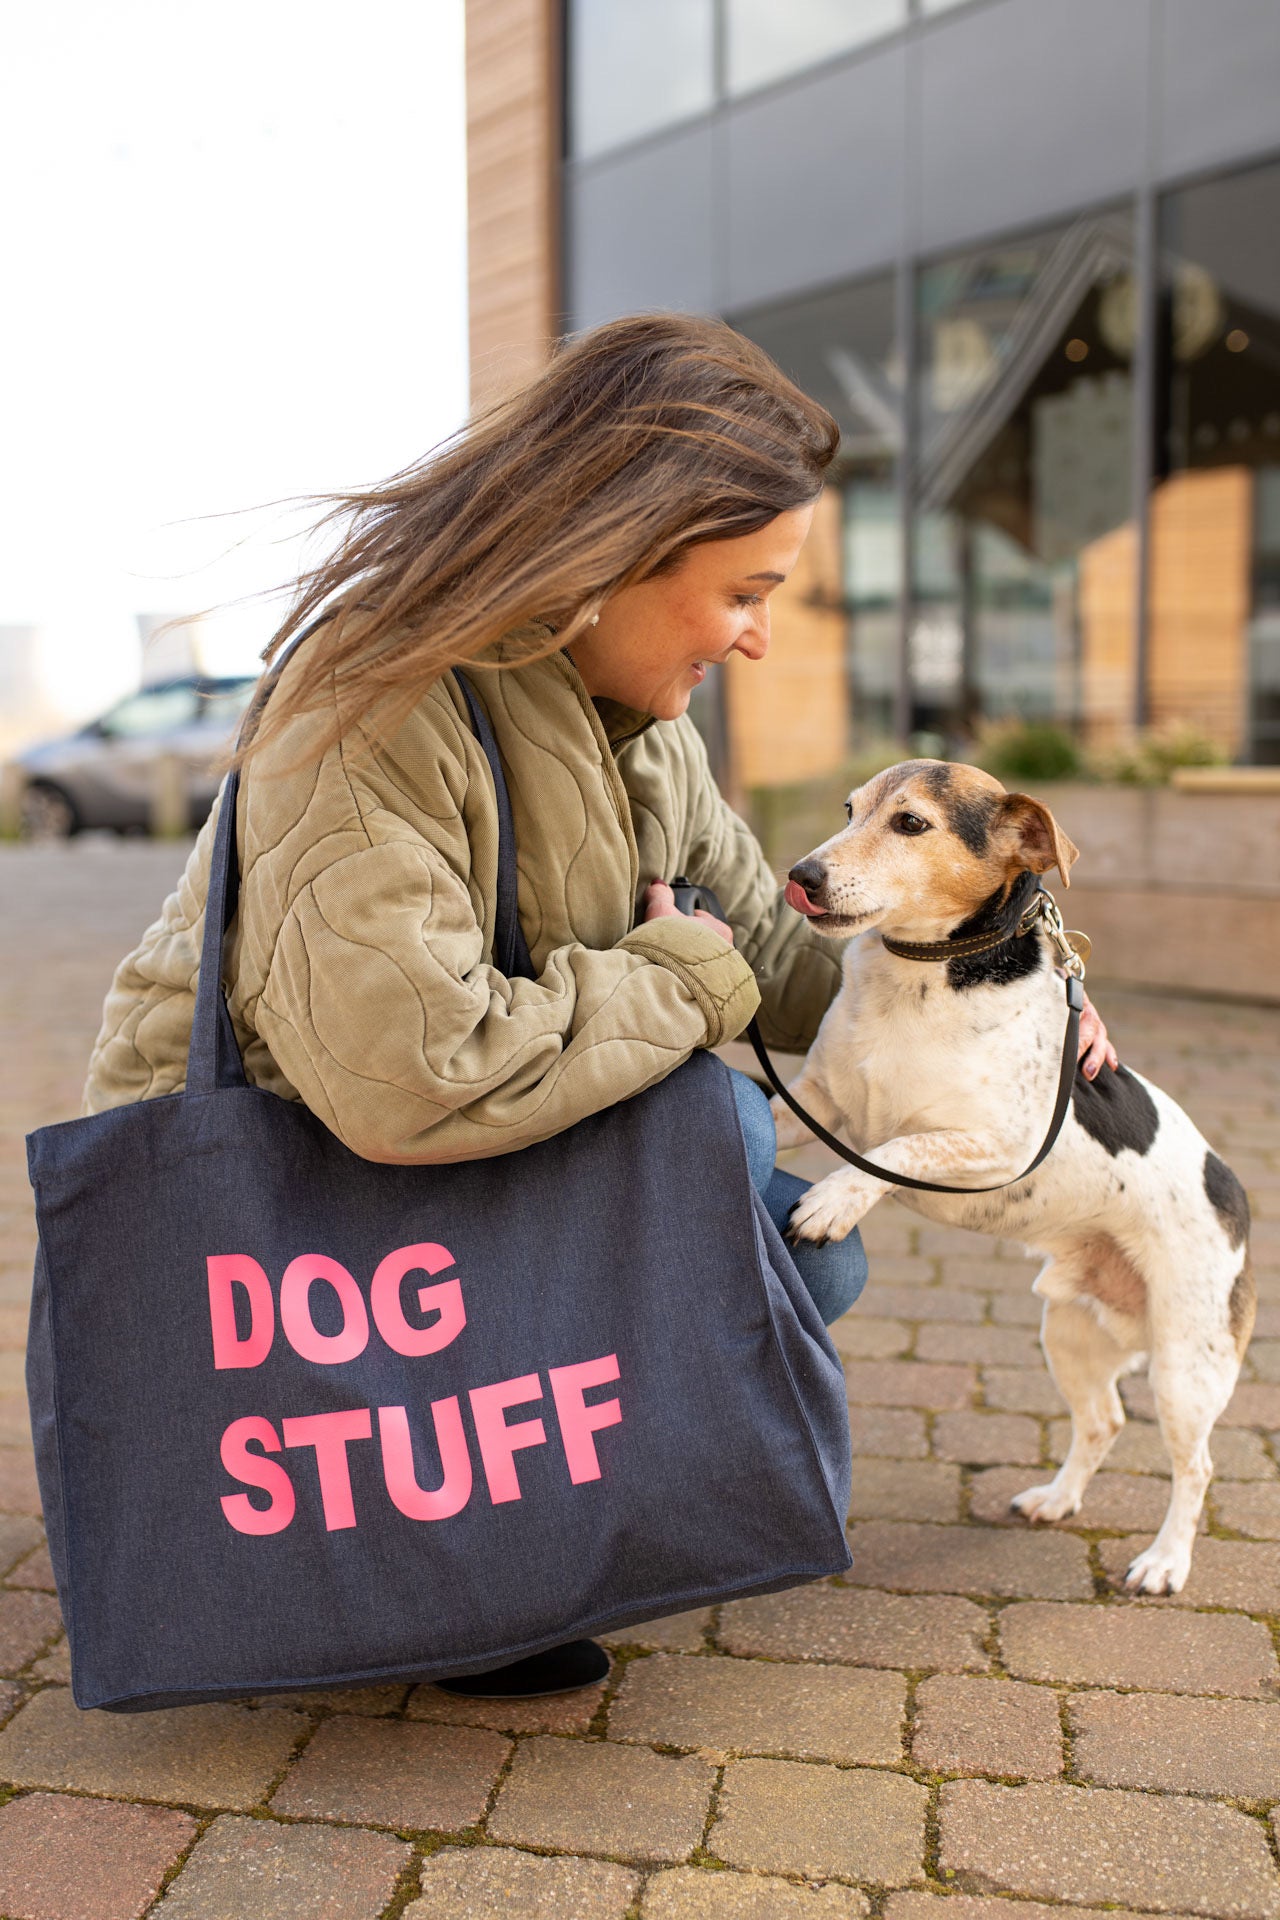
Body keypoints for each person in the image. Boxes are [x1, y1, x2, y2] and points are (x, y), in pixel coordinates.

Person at [83, 313, 1114, 1696]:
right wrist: (678, 977)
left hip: (458, 1145)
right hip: (317, 1167)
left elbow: (801, 972)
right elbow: (412, 1079)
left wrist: (1017, 971)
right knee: (734, 1154)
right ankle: (441, 1563)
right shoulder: (372, 703)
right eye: (744, 591)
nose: (755, 639)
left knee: (807, 1251)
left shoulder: (647, 727)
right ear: (617, 548)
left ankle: (494, 1527)